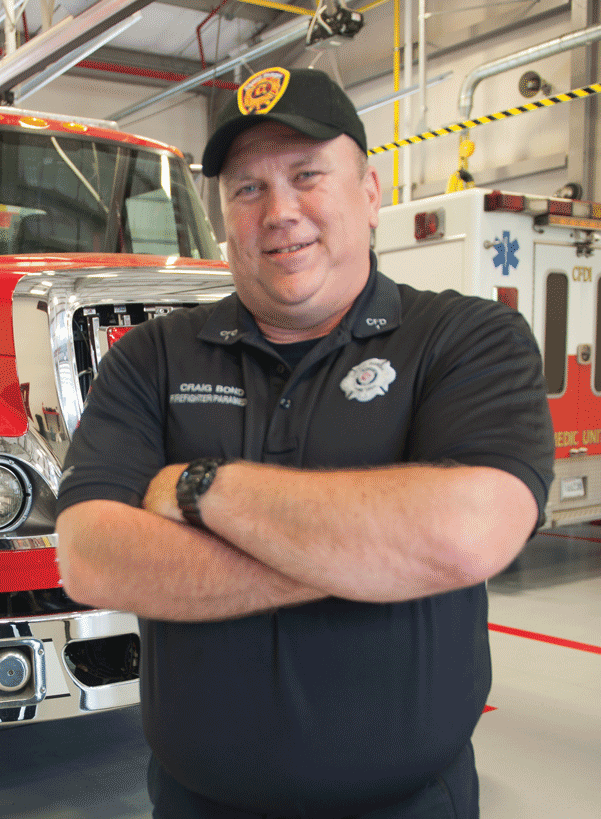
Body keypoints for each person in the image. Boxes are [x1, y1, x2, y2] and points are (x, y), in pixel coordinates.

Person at [55, 66, 555, 819]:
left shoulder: (465, 338)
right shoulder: (151, 356)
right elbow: (89, 556)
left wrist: (197, 487)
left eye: (307, 174)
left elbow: (465, 532)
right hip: (198, 802)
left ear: (371, 191)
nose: (279, 211)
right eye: (247, 189)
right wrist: (373, 552)